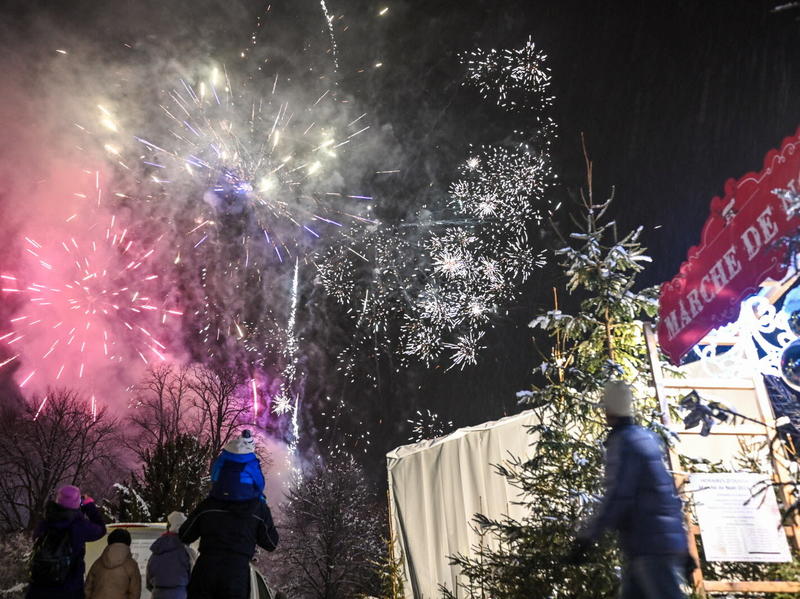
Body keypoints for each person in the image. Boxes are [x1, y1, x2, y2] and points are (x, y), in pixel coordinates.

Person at [571, 380, 692, 599]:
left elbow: (618, 496)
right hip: (650, 546)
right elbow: (667, 496)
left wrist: (587, 538)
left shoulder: (624, 442)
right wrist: (683, 547)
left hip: (649, 545)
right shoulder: (646, 437)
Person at [179, 492, 279, 599]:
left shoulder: (209, 503)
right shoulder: (258, 508)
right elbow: (271, 543)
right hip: (236, 576)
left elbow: (185, 535)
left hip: (205, 571)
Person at [26, 485, 107, 599]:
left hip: (38, 589)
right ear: (77, 503)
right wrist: (89, 506)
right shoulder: (79, 526)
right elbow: (101, 530)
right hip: (68, 590)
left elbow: (36, 538)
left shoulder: (45, 522)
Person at [146, 511, 196, 599]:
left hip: (157, 594)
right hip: (180, 594)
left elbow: (149, 579)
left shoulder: (157, 550)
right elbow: (194, 578)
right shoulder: (187, 552)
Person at [85, 528, 142, 599]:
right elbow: (135, 593)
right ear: (128, 542)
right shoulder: (131, 565)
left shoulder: (98, 563)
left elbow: (87, 589)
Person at [209, 429, 265, 501]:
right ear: (251, 446)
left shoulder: (223, 456)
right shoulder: (252, 462)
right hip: (245, 498)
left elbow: (213, 476)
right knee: (263, 505)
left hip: (220, 494)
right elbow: (260, 484)